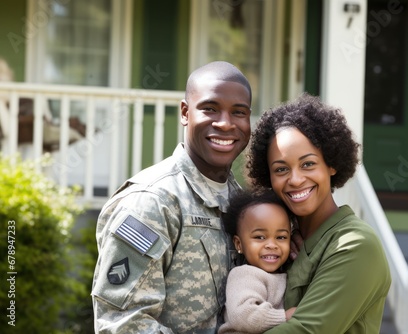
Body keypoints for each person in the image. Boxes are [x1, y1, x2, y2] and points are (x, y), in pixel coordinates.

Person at [91, 61, 253, 333]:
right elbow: (122, 323)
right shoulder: (152, 201)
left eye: (239, 112)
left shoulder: (241, 203)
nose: (225, 124)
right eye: (210, 109)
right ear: (185, 112)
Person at [246, 93, 391, 333]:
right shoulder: (282, 246)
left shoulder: (355, 245)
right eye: (281, 169)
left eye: (308, 164)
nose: (295, 179)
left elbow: (305, 330)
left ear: (331, 164)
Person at [218, 189, 296, 334]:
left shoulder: (285, 272)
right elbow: (242, 315)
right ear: (238, 244)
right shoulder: (244, 275)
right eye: (260, 237)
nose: (272, 245)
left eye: (281, 237)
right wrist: (283, 316)